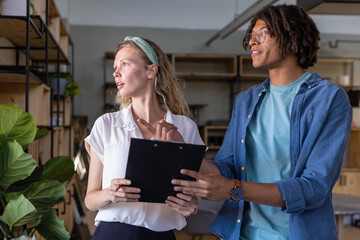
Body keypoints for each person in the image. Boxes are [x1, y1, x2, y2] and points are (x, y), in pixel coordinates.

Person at [171, 4, 353, 240]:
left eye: (262, 34)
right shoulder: (247, 100)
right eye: (250, 37)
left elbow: (314, 188)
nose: (252, 42)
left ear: (291, 36)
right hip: (244, 233)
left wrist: (234, 189)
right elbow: (227, 167)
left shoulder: (328, 99)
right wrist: (184, 150)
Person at [84, 36, 204, 240]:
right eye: (115, 66)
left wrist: (191, 206)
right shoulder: (106, 125)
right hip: (112, 234)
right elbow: (90, 199)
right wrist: (109, 194)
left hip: (162, 236)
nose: (116, 72)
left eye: (125, 64)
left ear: (151, 70)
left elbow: (195, 191)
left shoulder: (185, 128)